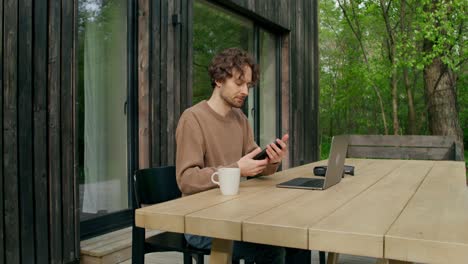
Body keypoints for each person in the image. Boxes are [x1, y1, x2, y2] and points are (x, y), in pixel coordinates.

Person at [175, 47, 288, 263]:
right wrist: (236, 169)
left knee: (293, 236)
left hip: (236, 214)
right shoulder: (192, 119)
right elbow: (186, 180)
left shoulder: (240, 119)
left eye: (248, 85)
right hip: (201, 222)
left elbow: (253, 166)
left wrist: (271, 161)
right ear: (219, 80)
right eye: (239, 83)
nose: (245, 91)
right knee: (273, 245)